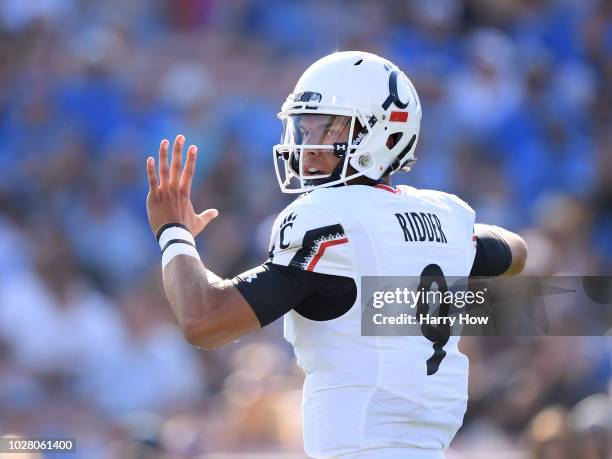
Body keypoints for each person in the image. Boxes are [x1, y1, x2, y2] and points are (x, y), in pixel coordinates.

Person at [145, 51, 527, 459]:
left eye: (326, 130)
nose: (307, 148)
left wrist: (174, 233)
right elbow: (516, 252)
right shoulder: (447, 216)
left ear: (385, 134)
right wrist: (447, 239)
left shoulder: (325, 217)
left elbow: (205, 320)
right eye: (303, 131)